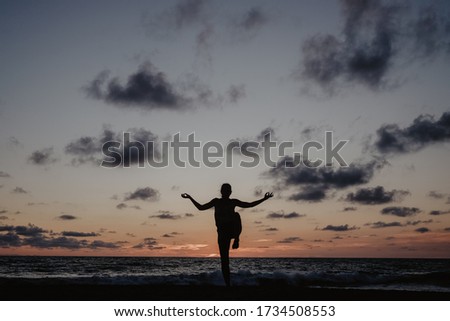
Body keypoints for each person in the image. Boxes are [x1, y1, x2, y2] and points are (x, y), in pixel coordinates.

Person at [181, 183, 273, 287]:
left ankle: (237, 239)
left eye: (228, 190)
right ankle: (228, 284)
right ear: (222, 191)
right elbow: (201, 207)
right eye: (225, 190)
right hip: (222, 233)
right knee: (224, 261)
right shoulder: (216, 201)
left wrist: (264, 199)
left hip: (232, 230)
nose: (226, 192)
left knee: (236, 215)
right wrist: (190, 198)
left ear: (230, 192)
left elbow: (249, 204)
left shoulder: (233, 202)